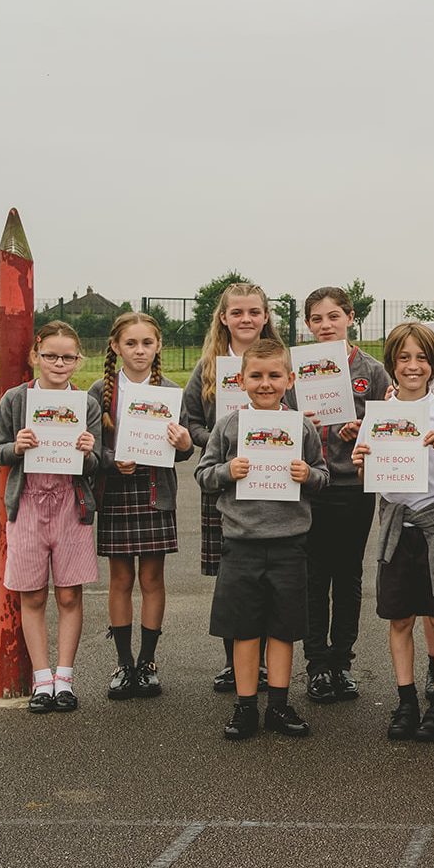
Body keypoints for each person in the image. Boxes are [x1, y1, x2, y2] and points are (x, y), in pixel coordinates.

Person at [195, 339, 328, 740]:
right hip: (242, 544)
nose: (265, 383)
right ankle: (246, 706)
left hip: (289, 544)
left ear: (290, 379)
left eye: (274, 375)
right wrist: (226, 472)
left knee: (283, 630)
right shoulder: (229, 426)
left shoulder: (301, 427)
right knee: (246, 630)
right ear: (241, 380)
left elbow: (323, 476)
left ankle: (280, 706)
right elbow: (203, 475)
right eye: (256, 375)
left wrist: (308, 475)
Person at [352, 323, 434, 742]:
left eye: (421, 358)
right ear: (392, 365)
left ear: (433, 365)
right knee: (399, 617)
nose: (413, 366)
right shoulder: (379, 415)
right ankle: (405, 701)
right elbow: (370, 475)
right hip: (397, 528)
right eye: (404, 358)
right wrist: (363, 460)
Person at [0, 320, 101, 714]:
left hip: (71, 505)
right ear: (36, 355)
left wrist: (89, 451)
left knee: (69, 593)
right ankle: (42, 679)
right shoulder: (16, 400)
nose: (59, 363)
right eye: (51, 355)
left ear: (77, 360)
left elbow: (97, 463)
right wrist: (16, 447)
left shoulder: (86, 403)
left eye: (68, 357)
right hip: (29, 503)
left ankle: (65, 678)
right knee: (32, 594)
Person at [182, 282, 284, 692]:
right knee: (233, 578)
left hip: (275, 488)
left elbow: (292, 413)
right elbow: (190, 422)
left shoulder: (279, 361)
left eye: (254, 312)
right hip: (226, 486)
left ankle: (261, 664)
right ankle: (234, 663)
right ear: (223, 317)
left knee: (271, 577)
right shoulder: (207, 367)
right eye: (237, 312)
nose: (246, 319)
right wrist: (224, 445)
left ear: (265, 317)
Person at [91, 312, 193, 700]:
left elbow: (183, 451)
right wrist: (110, 459)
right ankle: (123, 663)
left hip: (154, 495)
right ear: (115, 347)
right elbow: (88, 450)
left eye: (146, 343)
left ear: (158, 346)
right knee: (120, 580)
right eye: (130, 343)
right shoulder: (99, 392)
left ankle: (148, 663)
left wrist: (184, 443)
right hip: (116, 494)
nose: (139, 350)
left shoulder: (170, 390)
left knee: (152, 581)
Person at [296, 287, 390, 705]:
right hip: (310, 486)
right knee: (313, 578)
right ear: (307, 325)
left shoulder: (372, 370)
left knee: (348, 576)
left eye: (333, 316)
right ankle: (316, 663)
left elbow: (391, 425)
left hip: (353, 487)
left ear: (350, 318)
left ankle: (342, 662)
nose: (325, 325)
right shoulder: (296, 371)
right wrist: (299, 422)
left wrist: (363, 427)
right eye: (317, 319)